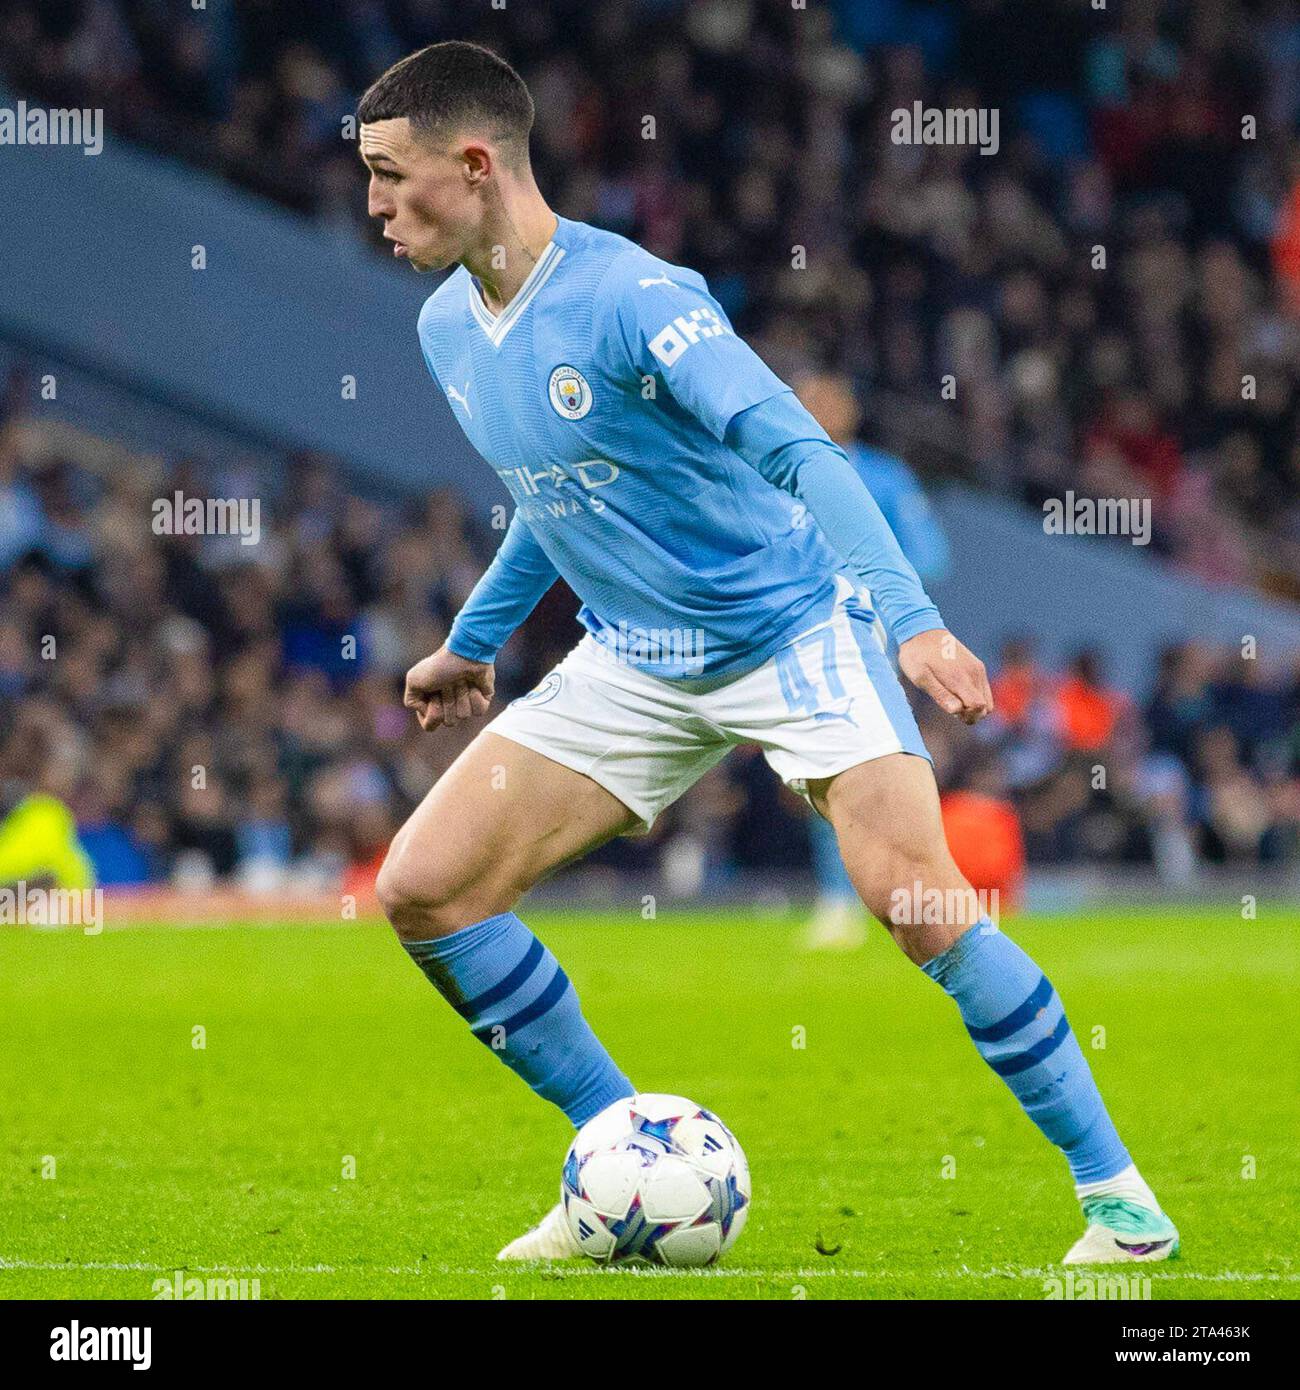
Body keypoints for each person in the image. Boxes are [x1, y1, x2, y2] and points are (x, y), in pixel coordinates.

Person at [358, 40, 1177, 1265]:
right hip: (635, 652)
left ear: (474, 165)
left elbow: (803, 453)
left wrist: (907, 618)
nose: (371, 204)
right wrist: (471, 641)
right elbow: (552, 490)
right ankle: (623, 1167)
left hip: (793, 624)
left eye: (388, 174)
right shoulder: (444, 326)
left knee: (914, 899)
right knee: (424, 887)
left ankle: (1120, 1201)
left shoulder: (637, 298)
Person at [793, 371, 951, 949]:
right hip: (789, 630)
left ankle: (875, 892)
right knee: (817, 766)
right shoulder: (772, 473)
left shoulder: (883, 477)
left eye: (827, 399)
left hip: (864, 629)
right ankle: (848, 894)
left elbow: (930, 554)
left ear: (851, 409)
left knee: (856, 761)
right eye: (806, 400)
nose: (817, 410)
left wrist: (876, 596)